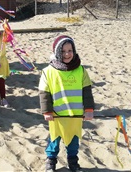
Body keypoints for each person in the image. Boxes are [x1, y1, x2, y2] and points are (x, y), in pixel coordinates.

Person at [38, 35, 95, 172]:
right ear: (57, 52)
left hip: (75, 115)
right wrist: (47, 111)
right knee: (54, 140)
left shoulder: (81, 70)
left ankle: (73, 163)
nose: (67, 54)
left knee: (73, 141)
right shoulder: (48, 71)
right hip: (57, 115)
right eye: (63, 51)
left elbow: (86, 90)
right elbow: (44, 93)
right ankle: (51, 162)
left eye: (70, 50)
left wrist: (89, 109)